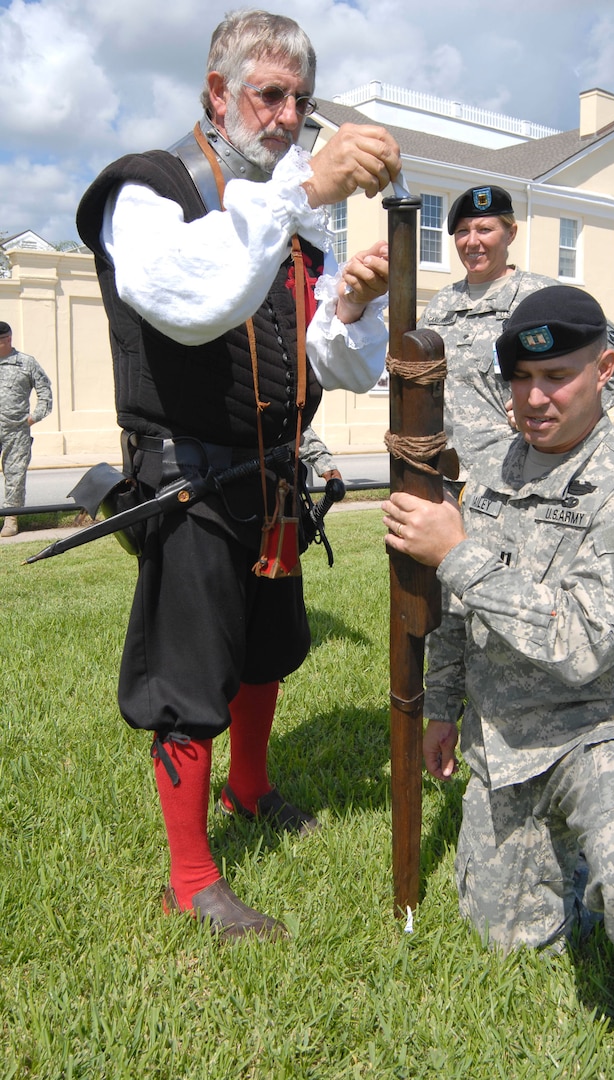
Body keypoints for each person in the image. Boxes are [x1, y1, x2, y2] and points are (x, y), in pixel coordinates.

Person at [76, 8, 401, 941]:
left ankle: (249, 788)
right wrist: (304, 183)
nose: (289, 115)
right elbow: (190, 301)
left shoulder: (287, 213)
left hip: (272, 476)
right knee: (190, 681)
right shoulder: (148, 189)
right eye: (269, 94)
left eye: (301, 99)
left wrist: (349, 302)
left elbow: (334, 364)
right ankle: (190, 877)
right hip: (186, 474)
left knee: (267, 647)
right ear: (216, 92)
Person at [382, 285, 614, 1061]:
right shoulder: (498, 468)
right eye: (519, 380)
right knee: (507, 943)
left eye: (557, 377)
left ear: (604, 368)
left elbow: (582, 649)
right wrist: (442, 708)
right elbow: (462, 613)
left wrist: (455, 551)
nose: (533, 399)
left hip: (607, 730)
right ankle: (573, 868)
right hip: (508, 747)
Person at [418, 183, 614, 734]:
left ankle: (542, 718)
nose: (473, 241)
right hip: (465, 482)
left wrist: (552, 407)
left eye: (485, 229)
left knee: (524, 598)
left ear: (510, 232)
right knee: (457, 601)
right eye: (462, 232)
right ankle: (455, 714)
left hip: (532, 477)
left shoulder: (539, 300)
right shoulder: (441, 307)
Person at [0, 321, 52, 537]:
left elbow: (45, 393)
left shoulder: (26, 363)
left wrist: (33, 418)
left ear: (8, 339)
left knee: (15, 475)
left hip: (16, 430)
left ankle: (11, 519)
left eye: (4, 340)